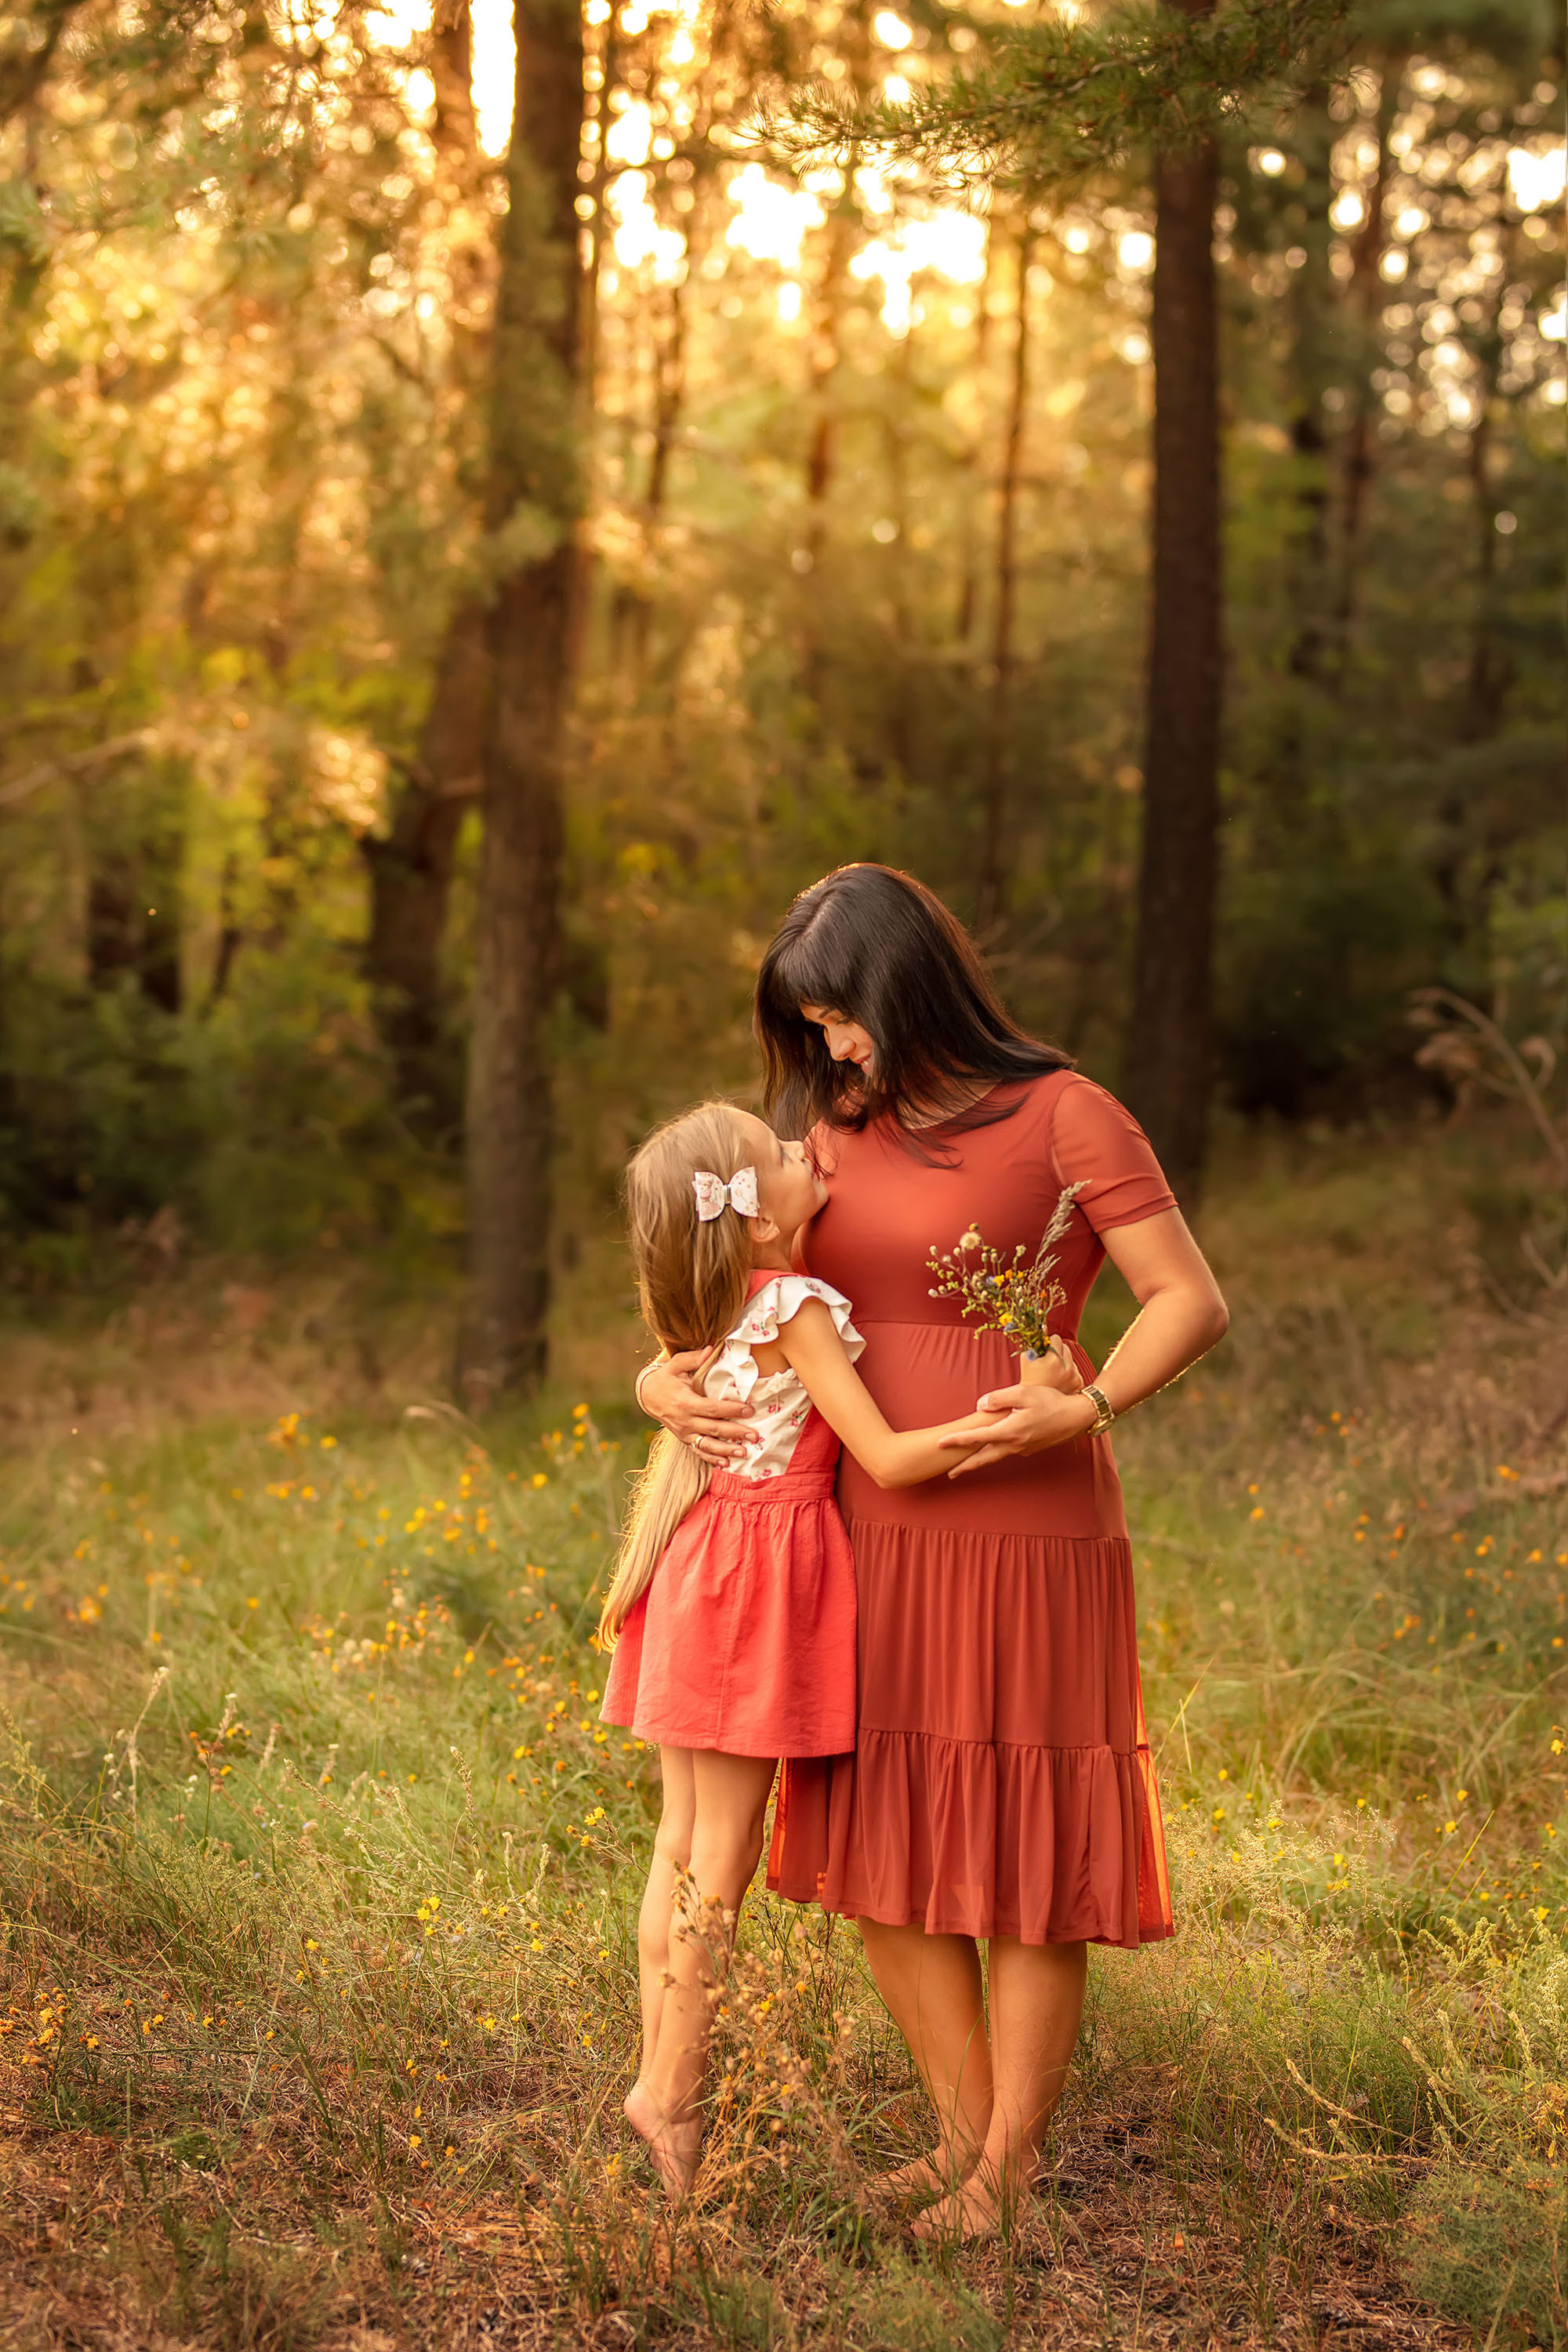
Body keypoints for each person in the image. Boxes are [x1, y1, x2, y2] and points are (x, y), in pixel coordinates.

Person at [636, 865, 1229, 2237]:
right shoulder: (830, 1129)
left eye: (843, 1017)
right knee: (878, 1837)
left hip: (1026, 1517)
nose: (833, 1050)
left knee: (1023, 1849)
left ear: (908, 983)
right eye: (815, 1028)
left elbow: (1188, 1303)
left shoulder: (1068, 1113)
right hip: (858, 1521)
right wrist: (656, 1381)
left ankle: (1011, 2173)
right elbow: (734, 1286)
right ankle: (970, 2143)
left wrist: (1084, 1402)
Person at [601, 1097, 1027, 2200]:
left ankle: (654, 2074)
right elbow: (881, 1454)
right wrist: (1008, 1423)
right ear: (751, 1220)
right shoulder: (792, 1303)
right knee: (722, 1861)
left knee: (682, 1843)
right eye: (779, 1154)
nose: (802, 1152)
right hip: (758, 1579)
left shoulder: (725, 1300)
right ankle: (674, 2098)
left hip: (701, 1563)